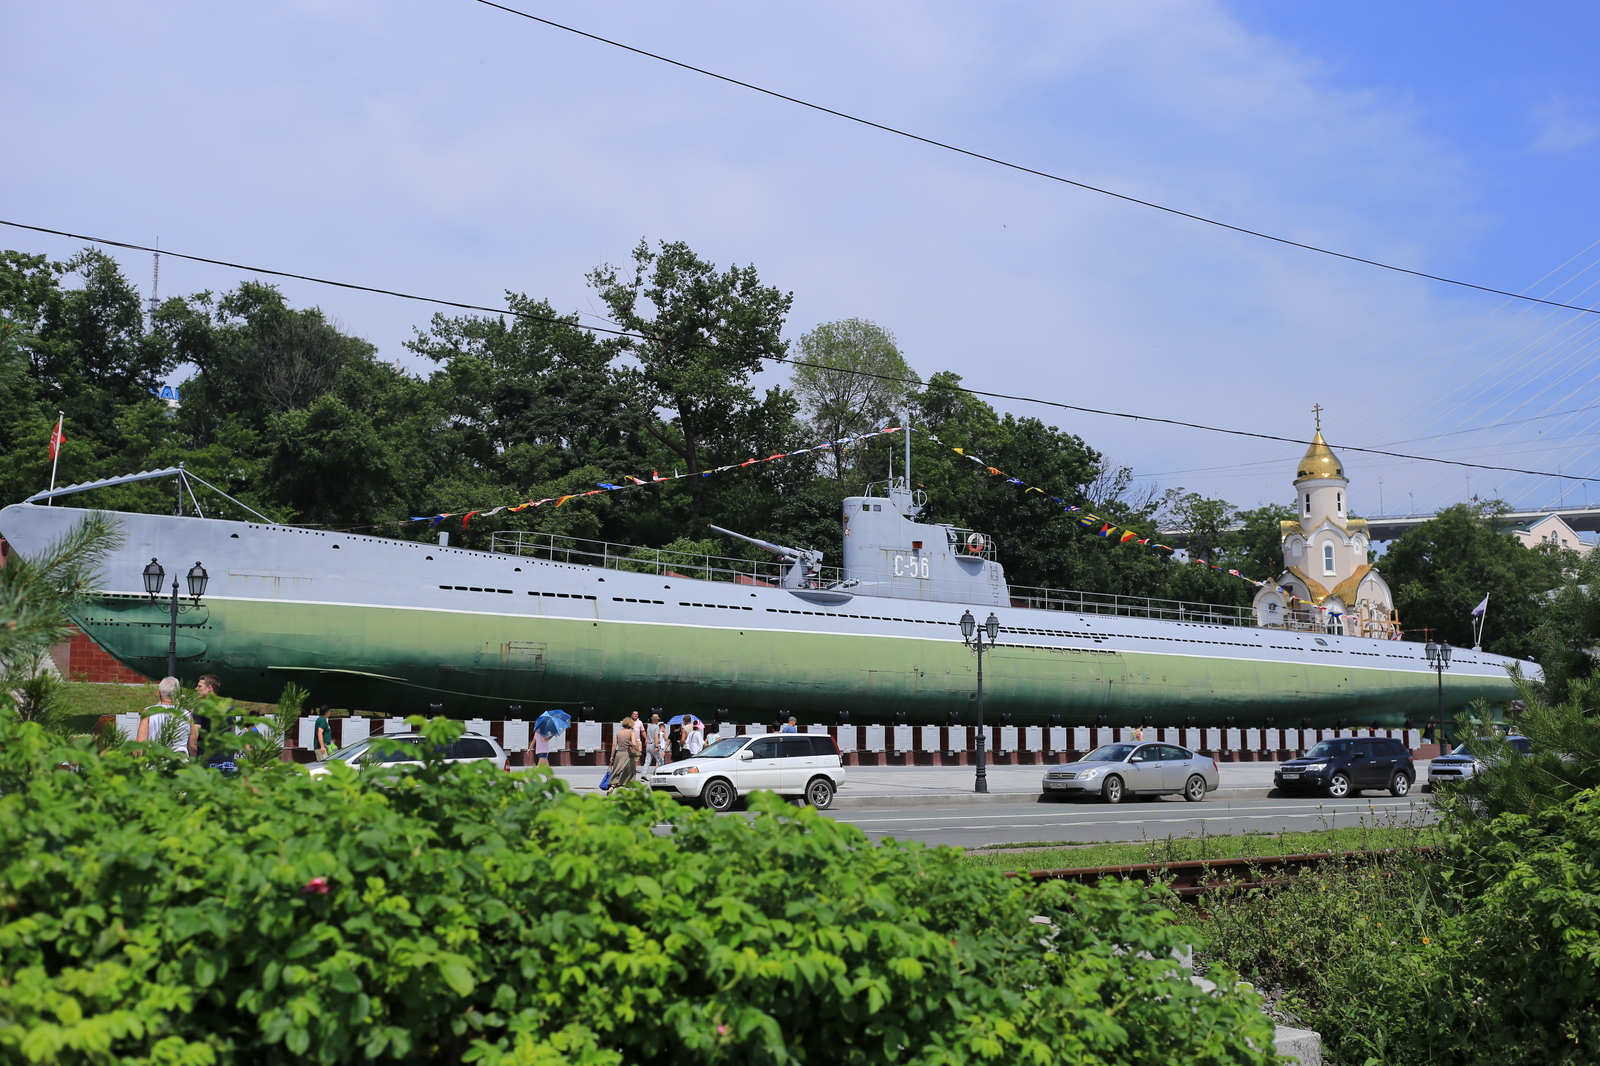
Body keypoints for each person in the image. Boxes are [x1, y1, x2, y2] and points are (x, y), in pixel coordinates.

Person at [136, 676, 196, 756]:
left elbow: (140, 742)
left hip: (156, 761)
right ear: (178, 694)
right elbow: (193, 747)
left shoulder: (149, 712)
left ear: (159, 693)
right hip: (179, 762)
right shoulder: (186, 714)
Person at [606, 710, 641, 793]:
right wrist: (638, 749)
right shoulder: (631, 732)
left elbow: (614, 745)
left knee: (617, 771)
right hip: (628, 754)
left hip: (619, 754)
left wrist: (612, 756)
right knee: (631, 772)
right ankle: (630, 791)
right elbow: (634, 743)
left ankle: (612, 787)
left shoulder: (618, 733)